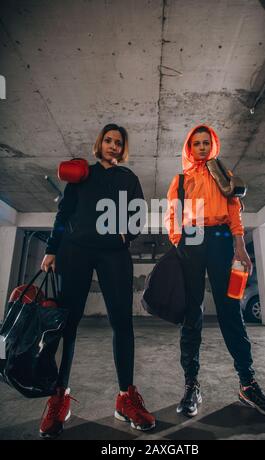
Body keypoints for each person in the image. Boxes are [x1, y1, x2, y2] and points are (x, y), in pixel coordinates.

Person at [40, 124, 155, 438]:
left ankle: (125, 398)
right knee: (68, 323)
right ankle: (59, 398)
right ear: (100, 143)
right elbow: (63, 214)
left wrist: (125, 234)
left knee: (122, 322)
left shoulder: (128, 178)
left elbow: (138, 213)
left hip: (113, 253)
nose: (113, 146)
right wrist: (51, 249)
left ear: (123, 148)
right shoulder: (81, 173)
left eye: (118, 142)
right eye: (108, 140)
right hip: (75, 251)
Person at [164, 124, 265, 419]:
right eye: (197, 143)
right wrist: (180, 244)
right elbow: (172, 215)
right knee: (192, 316)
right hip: (191, 242)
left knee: (231, 310)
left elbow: (234, 212)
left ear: (213, 146)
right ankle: (191, 385)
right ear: (189, 148)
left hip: (221, 243)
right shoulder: (180, 180)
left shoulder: (225, 176)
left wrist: (240, 246)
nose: (202, 148)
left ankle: (248, 384)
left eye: (207, 143)